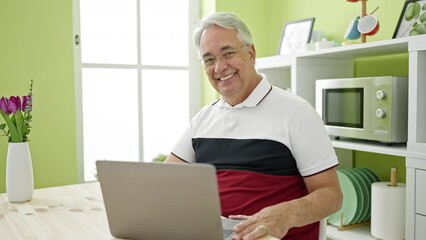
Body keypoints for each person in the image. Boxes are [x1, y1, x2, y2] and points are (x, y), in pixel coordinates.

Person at [165, 12, 342, 240]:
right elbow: (167, 179)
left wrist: (285, 215)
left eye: (227, 53)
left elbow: (331, 195)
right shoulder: (202, 119)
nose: (219, 67)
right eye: (209, 59)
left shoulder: (296, 112)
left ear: (250, 53)